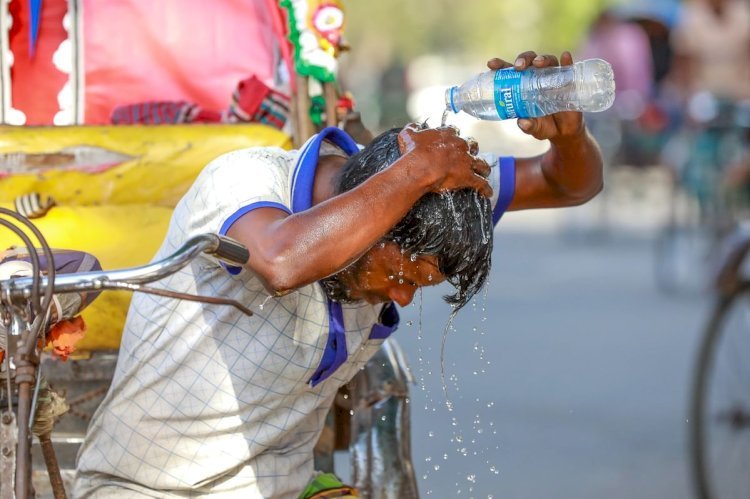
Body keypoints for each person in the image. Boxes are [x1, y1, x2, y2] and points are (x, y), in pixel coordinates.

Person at [74, 51, 603, 498]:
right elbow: (284, 262)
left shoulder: (428, 209)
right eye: (401, 275)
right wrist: (415, 170)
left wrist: (570, 136)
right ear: (374, 216)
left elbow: (569, 185)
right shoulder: (244, 181)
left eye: (418, 286)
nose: (401, 297)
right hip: (139, 487)